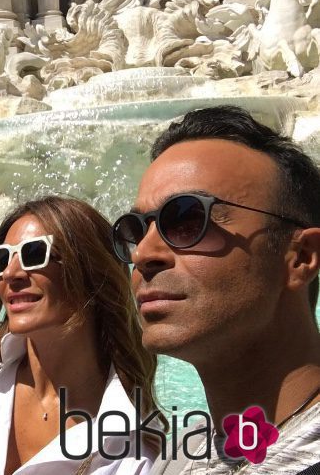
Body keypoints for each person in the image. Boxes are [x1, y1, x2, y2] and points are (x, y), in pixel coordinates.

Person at [111, 105, 320, 474]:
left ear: (301, 257)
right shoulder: (174, 461)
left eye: (188, 218)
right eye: (136, 228)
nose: (143, 253)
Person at [0, 196, 162, 474]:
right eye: (0, 259)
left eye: (33, 254)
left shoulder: (134, 447)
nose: (10, 273)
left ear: (92, 271)